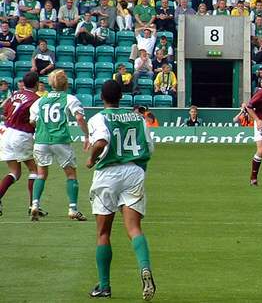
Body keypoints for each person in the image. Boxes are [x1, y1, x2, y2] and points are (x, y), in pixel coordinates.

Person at [86, 80, 156, 299]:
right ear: (122, 97)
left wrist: (90, 160)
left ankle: (104, 285)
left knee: (103, 232)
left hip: (108, 174)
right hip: (134, 172)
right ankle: (145, 267)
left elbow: (100, 141)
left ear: (101, 97)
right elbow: (150, 148)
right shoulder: (137, 117)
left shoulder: (98, 118)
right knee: (134, 228)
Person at [29, 70, 89, 221]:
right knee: (70, 175)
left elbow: (32, 121)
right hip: (60, 140)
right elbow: (80, 118)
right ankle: (73, 209)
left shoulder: (39, 101)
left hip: (41, 140)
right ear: (66, 84)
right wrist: (87, 135)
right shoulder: (69, 98)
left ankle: (35, 205)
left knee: (41, 174)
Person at [0, 72, 43, 216]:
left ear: (23, 83)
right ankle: (33, 205)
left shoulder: (15, 95)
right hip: (21, 134)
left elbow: (6, 113)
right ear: (37, 84)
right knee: (34, 170)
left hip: (5, 132)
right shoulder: (36, 99)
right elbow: (34, 120)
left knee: (15, 172)